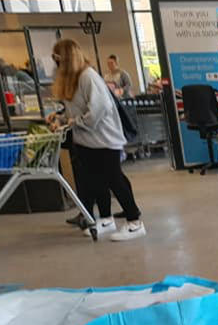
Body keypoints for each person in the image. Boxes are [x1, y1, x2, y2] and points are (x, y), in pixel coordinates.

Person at [48, 40, 146, 241]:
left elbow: (97, 111)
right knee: (95, 181)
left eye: (58, 60)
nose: (56, 66)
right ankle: (106, 218)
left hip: (105, 139)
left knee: (114, 179)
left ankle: (134, 221)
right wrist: (60, 118)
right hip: (85, 140)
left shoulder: (88, 77)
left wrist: (74, 121)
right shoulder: (72, 80)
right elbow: (73, 109)